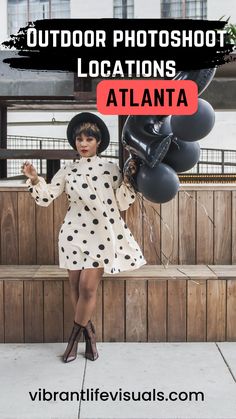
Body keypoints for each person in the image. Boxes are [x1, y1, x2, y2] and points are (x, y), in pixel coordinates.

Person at [22, 112, 147, 363]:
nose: (83, 143)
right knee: (75, 288)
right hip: (72, 235)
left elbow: (122, 201)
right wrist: (35, 179)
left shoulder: (111, 169)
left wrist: (130, 180)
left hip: (101, 236)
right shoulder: (67, 172)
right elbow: (47, 198)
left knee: (88, 288)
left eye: (89, 138)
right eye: (79, 139)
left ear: (98, 142)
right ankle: (89, 335)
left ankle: (73, 342)